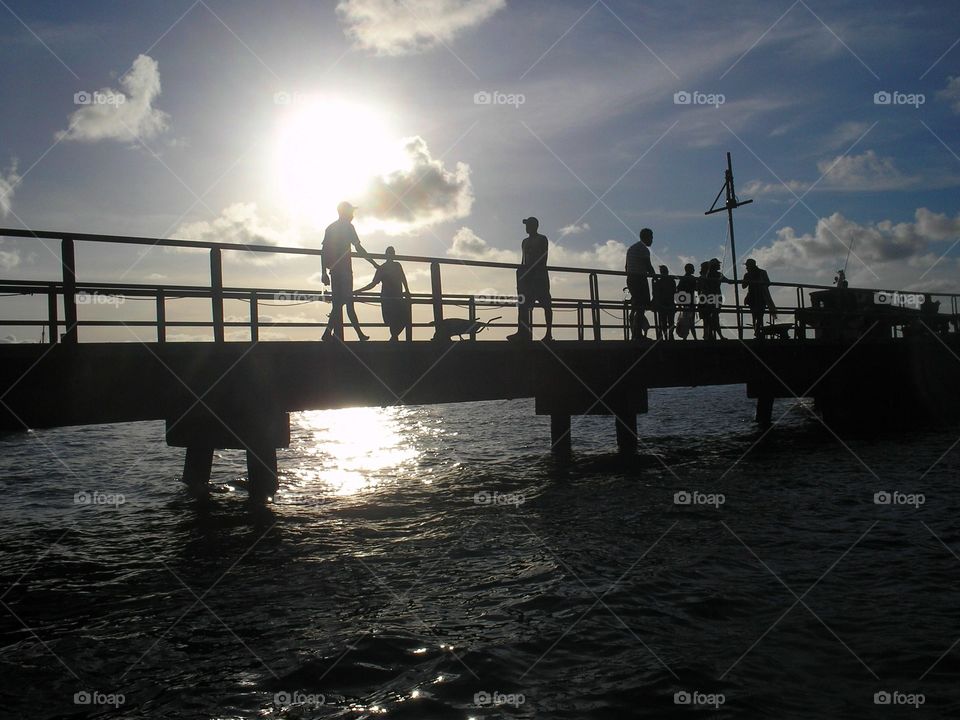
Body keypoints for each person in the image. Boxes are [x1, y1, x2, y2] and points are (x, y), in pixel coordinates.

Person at [321, 201, 378, 341]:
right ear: (345, 212)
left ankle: (329, 334)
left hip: (334, 271)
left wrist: (323, 272)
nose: (353, 214)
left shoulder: (331, 228)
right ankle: (357, 334)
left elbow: (323, 251)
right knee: (348, 303)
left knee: (338, 303)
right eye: (351, 211)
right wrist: (373, 263)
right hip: (345, 271)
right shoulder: (349, 227)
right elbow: (359, 248)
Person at [507, 217, 553, 341]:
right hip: (526, 277)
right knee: (523, 304)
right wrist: (521, 273)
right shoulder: (524, 242)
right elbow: (523, 260)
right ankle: (522, 332)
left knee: (546, 304)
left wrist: (534, 271)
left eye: (528, 225)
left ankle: (548, 333)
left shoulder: (542, 239)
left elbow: (543, 258)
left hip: (539, 276)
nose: (526, 228)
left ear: (535, 226)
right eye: (526, 225)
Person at [355, 246, 411, 341]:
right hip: (390, 299)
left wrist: (407, 290)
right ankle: (394, 339)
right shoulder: (386, 267)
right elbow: (373, 284)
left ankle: (393, 338)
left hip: (393, 298)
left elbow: (402, 278)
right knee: (397, 320)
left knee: (400, 320)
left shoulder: (388, 267)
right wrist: (359, 291)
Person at [625, 228, 655, 339]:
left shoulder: (631, 248)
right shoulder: (643, 249)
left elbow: (626, 267)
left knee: (636, 305)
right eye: (651, 237)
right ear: (647, 237)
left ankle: (635, 333)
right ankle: (637, 334)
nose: (652, 240)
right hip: (639, 279)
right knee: (641, 307)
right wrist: (656, 278)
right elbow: (648, 266)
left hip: (631, 278)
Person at [742, 258, 776, 337]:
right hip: (756, 297)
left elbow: (743, 286)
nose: (746, 268)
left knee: (757, 315)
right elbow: (768, 283)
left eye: (747, 266)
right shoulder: (759, 273)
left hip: (758, 296)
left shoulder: (756, 273)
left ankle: (757, 331)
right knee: (758, 315)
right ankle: (757, 331)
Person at [675, 263, 698, 340]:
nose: (694, 270)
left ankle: (687, 337)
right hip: (690, 302)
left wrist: (679, 303)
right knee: (690, 321)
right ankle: (693, 338)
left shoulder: (683, 278)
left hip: (686, 302)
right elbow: (696, 288)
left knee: (687, 321)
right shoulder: (690, 278)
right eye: (692, 268)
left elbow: (678, 290)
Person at [652, 265, 676, 340]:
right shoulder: (671, 281)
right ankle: (670, 337)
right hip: (668, 304)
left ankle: (667, 337)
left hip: (663, 304)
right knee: (669, 322)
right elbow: (674, 292)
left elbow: (655, 294)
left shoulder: (659, 282)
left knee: (664, 322)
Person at [705, 258, 726, 339]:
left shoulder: (708, 274)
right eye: (718, 264)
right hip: (716, 297)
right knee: (715, 316)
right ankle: (717, 335)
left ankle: (711, 334)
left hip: (710, 297)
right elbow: (727, 281)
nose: (719, 265)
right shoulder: (716, 274)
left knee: (712, 316)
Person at [697, 261, 712, 339]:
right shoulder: (705, 278)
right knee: (707, 319)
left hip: (703, 299)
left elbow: (697, 289)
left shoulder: (701, 278)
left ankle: (706, 334)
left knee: (706, 319)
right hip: (705, 299)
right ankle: (707, 335)